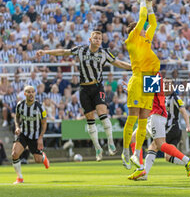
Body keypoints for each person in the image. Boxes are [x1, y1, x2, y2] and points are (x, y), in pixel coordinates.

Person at [36, 31, 131, 161]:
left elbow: (118, 63)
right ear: (90, 39)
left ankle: (110, 142)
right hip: (84, 89)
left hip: (97, 87)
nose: (98, 40)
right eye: (95, 38)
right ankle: (98, 148)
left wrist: (133, 67)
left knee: (103, 114)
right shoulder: (81, 50)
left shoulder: (104, 53)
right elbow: (64, 52)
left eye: (100, 39)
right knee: (90, 119)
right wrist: (46, 52)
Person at [127, 78, 190, 180]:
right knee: (167, 157)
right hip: (158, 122)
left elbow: (184, 112)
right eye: (164, 83)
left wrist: (188, 126)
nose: (166, 85)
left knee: (155, 145)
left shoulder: (174, 97)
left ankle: (143, 172)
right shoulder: (160, 95)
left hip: (170, 127)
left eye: (168, 84)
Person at [121, 0, 160, 171]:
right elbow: (143, 20)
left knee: (144, 119)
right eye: (141, 29)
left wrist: (150, 5)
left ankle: (137, 154)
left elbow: (153, 24)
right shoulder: (132, 39)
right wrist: (143, 1)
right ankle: (125, 151)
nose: (145, 30)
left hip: (151, 79)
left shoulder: (146, 39)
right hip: (138, 78)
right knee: (133, 117)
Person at [12, 86, 50, 184]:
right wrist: (17, 127)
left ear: (35, 94)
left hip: (35, 136)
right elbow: (16, 118)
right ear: (24, 94)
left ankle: (43, 157)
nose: (31, 94)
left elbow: (44, 123)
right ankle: (19, 178)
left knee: (37, 160)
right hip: (23, 134)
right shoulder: (20, 105)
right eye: (28, 92)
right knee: (15, 154)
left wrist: (41, 137)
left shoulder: (40, 107)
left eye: (33, 92)